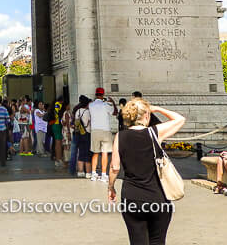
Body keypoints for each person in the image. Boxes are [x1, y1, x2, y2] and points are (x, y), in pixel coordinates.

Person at [108, 99, 186, 245]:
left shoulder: (120, 136)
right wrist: (157, 109)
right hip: (158, 196)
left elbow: (115, 167)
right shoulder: (155, 132)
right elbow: (180, 119)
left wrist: (110, 187)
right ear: (146, 115)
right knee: (158, 241)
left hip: (132, 197)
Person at [88, 87, 117, 182]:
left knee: (95, 152)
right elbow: (115, 113)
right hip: (105, 130)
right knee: (105, 153)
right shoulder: (106, 105)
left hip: (94, 130)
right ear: (103, 95)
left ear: (96, 94)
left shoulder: (91, 105)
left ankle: (93, 173)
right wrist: (113, 103)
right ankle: (104, 174)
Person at [73, 96, 92, 177]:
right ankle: (88, 172)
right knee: (87, 153)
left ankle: (80, 171)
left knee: (81, 152)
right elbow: (90, 122)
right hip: (87, 133)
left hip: (79, 134)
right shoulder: (88, 112)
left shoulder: (78, 111)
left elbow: (76, 122)